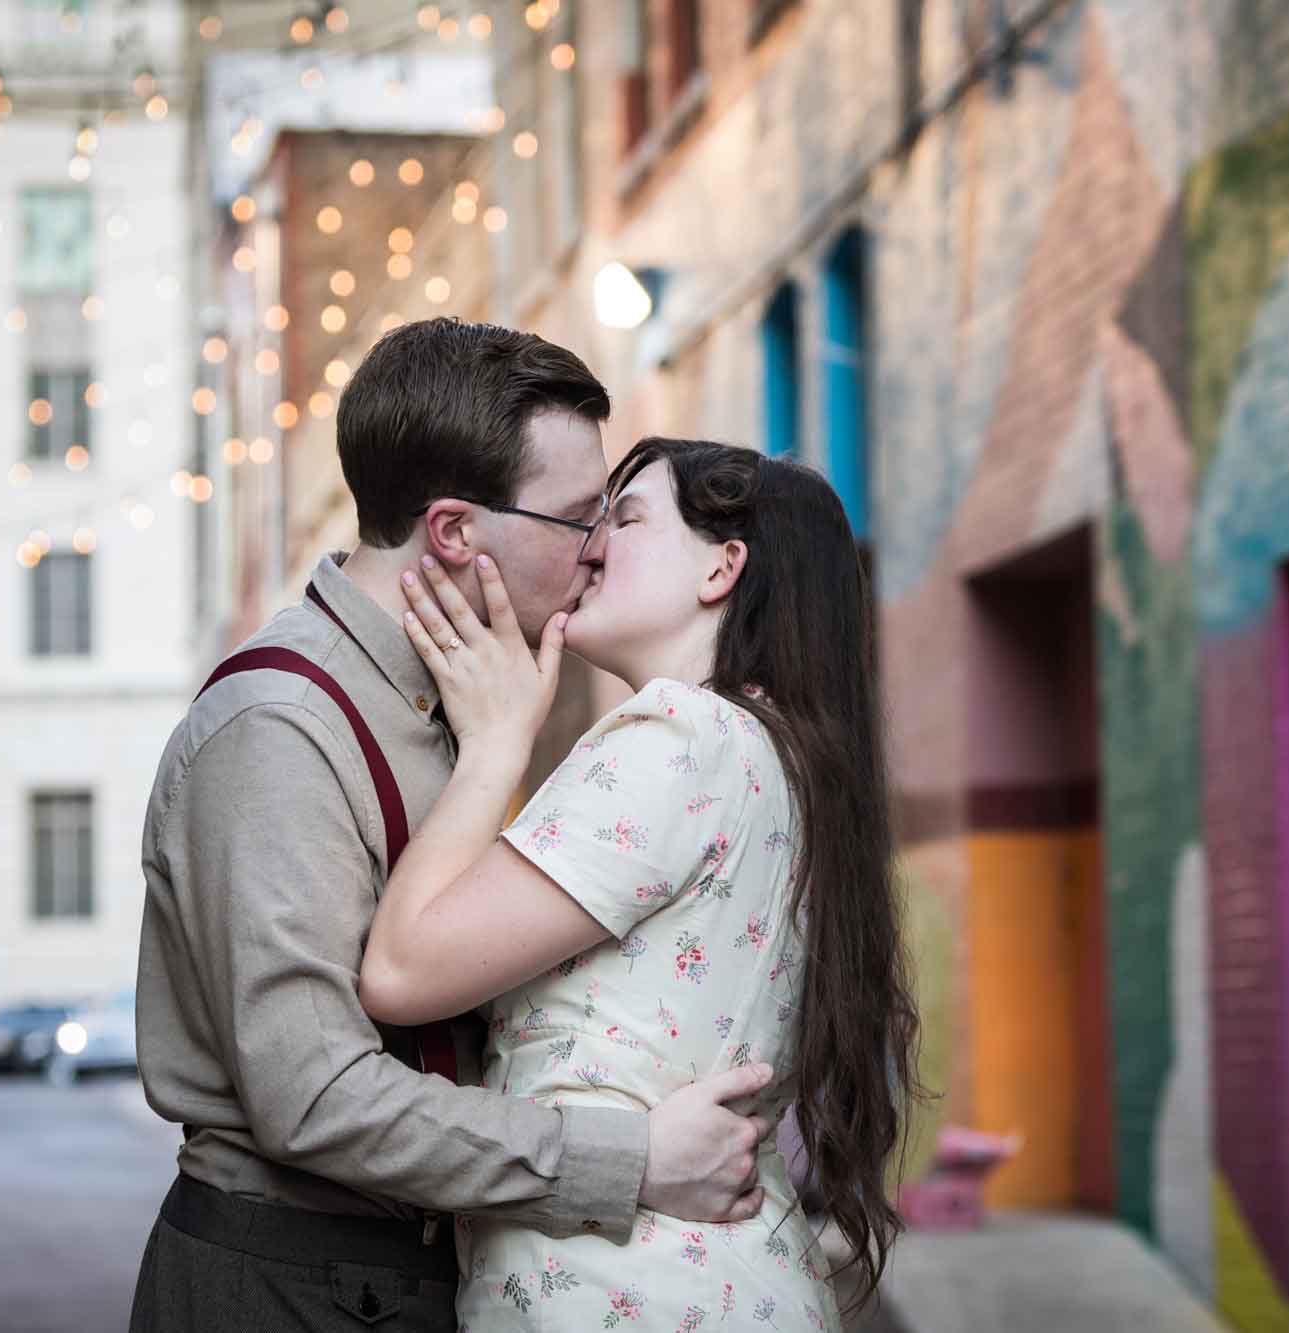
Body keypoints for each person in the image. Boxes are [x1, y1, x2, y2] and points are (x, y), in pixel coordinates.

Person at [130, 324, 775, 1333]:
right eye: (575, 516)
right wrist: (631, 1159)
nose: (597, 545)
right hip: (288, 1284)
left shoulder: (464, 705)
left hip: (419, 1271)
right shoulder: (276, 728)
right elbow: (313, 1098)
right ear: (453, 533)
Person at [359, 437, 920, 1330]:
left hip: (620, 1293)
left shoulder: (676, 736)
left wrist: (497, 744)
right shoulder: (781, 755)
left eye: (625, 517)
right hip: (725, 1282)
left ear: (721, 569)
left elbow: (399, 970)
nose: (590, 544)